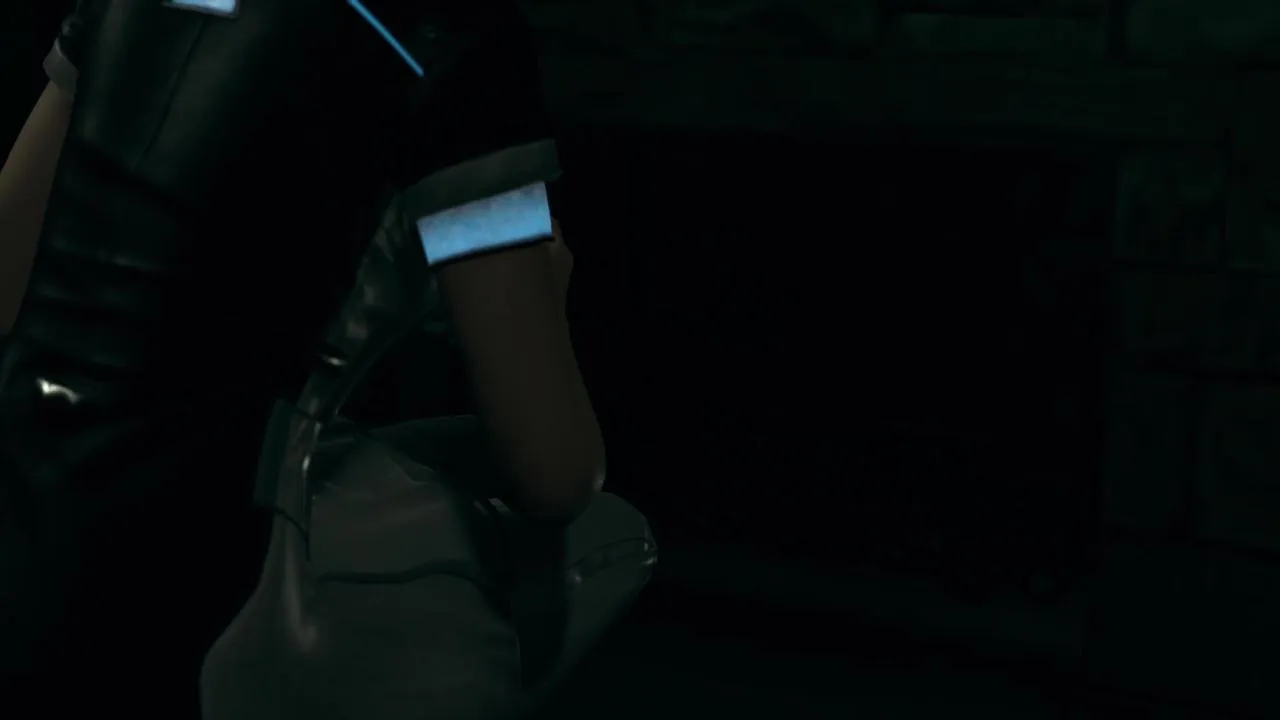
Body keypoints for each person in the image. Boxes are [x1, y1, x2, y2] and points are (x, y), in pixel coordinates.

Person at [0, 1, 651, 715]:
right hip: (202, 579)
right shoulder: (450, 32)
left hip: (24, 499)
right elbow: (558, 474)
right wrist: (542, 292)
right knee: (607, 540)